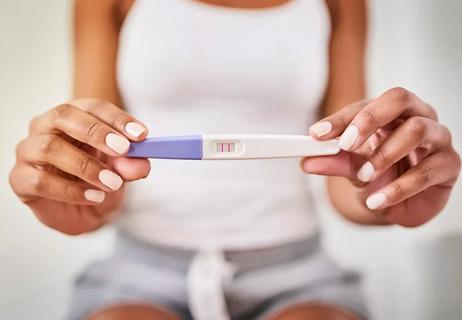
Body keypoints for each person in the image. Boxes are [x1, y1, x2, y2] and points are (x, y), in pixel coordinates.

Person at [8, 0, 461, 319]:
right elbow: (99, 158)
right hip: (139, 272)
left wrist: (389, 190)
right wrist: (78, 198)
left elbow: (344, 165)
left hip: (298, 272)